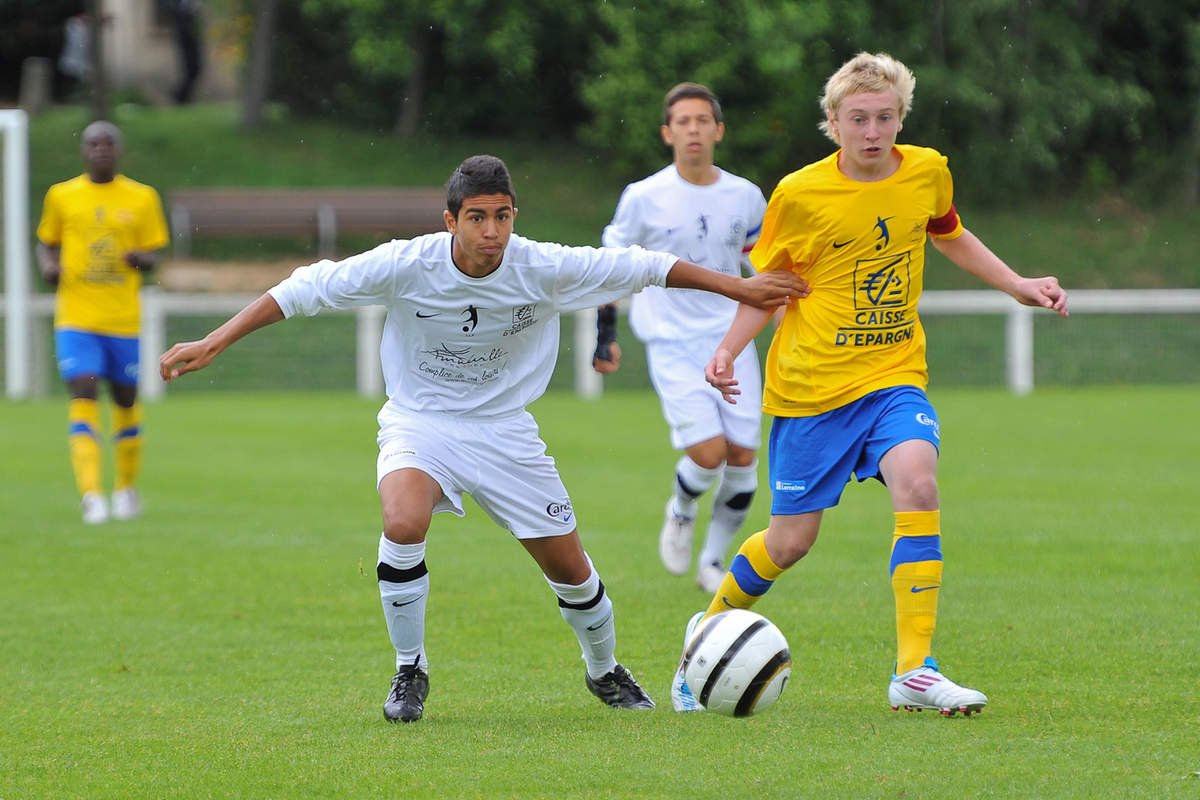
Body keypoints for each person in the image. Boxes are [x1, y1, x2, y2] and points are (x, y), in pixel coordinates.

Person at [158, 155, 807, 723]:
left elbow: (644, 265)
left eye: (502, 215)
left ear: (514, 215)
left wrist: (737, 285)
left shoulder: (541, 266)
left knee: (572, 573)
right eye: (476, 217)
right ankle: (410, 668)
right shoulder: (405, 263)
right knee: (403, 520)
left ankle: (603, 667)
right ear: (450, 220)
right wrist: (215, 340)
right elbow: (305, 288)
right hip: (421, 421)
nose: (491, 231)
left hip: (506, 433)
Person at [670, 52, 1070, 715]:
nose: (873, 131)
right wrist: (726, 351)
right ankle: (705, 638)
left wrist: (1020, 285)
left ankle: (914, 672)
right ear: (833, 122)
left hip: (892, 376)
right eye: (858, 118)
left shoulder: (927, 172)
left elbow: (951, 234)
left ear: (900, 118)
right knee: (789, 543)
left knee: (918, 477)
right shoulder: (800, 195)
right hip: (811, 391)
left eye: (885, 117)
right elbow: (768, 287)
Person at [593, 83, 769, 595]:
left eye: (702, 120)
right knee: (710, 453)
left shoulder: (746, 196)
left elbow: (762, 269)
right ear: (668, 133)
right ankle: (682, 506)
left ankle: (713, 562)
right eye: (683, 121)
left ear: (718, 129)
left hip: (732, 339)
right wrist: (607, 334)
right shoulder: (644, 197)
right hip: (671, 340)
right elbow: (613, 269)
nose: (693, 129)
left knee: (743, 457)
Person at [36, 120, 169, 525]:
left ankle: (126, 489)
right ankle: (91, 495)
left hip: (123, 321)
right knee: (83, 397)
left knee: (125, 403)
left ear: (119, 150)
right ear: (83, 150)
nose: (101, 149)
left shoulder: (142, 197)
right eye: (93, 143)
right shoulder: (62, 195)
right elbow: (46, 241)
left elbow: (154, 254)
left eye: (108, 143)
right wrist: (48, 265)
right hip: (76, 318)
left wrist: (139, 260)